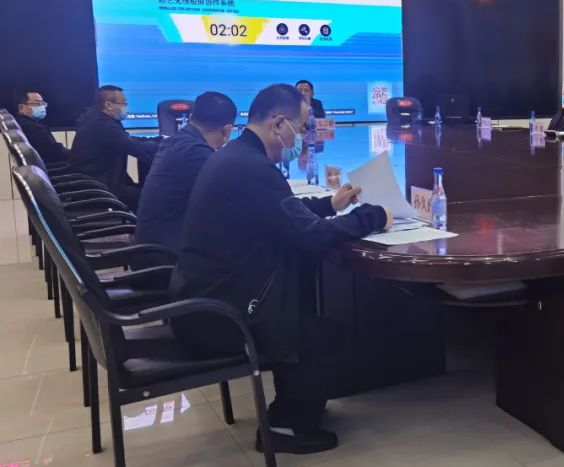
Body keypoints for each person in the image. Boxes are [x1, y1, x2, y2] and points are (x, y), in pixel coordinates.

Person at [169, 84, 392, 454]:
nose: (303, 137)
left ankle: (294, 410)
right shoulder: (252, 169)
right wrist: (372, 216)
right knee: (323, 335)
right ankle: (284, 427)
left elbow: (280, 213)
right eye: (302, 128)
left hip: (207, 298)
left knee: (306, 316)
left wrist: (330, 204)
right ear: (278, 124)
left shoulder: (237, 157)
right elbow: (310, 236)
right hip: (220, 317)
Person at [135, 92, 237, 254]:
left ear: (190, 117)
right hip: (167, 255)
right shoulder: (196, 153)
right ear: (227, 130)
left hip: (153, 245)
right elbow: (231, 201)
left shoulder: (178, 142)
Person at [68, 85, 160, 211]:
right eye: (124, 103)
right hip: (98, 187)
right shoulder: (103, 124)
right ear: (108, 105)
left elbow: (127, 139)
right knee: (152, 198)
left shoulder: (97, 118)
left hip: (97, 181)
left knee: (142, 192)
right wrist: (163, 145)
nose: (126, 107)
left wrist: (157, 140)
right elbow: (134, 147)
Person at [12, 90, 69, 164]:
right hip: (53, 166)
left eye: (43, 103)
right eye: (37, 103)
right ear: (22, 107)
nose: (42, 107)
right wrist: (75, 155)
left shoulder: (21, 122)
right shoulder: (31, 127)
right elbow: (54, 151)